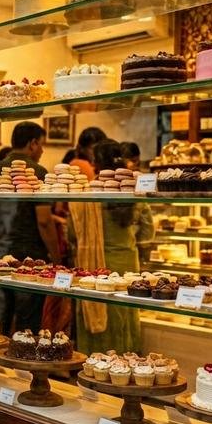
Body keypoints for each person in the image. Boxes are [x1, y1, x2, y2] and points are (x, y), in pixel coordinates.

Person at [69, 140, 154, 353]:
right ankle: (127, 363)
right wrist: (134, 241)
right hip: (127, 261)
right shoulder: (132, 190)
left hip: (94, 266)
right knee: (124, 313)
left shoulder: (86, 193)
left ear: (95, 162)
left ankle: (94, 364)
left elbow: (73, 233)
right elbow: (147, 231)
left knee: (96, 308)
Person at [0, 122, 61, 333]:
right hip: (30, 255)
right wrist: (56, 257)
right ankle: (23, 365)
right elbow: (44, 221)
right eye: (42, 144)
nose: (43, 150)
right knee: (28, 321)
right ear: (33, 143)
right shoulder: (38, 172)